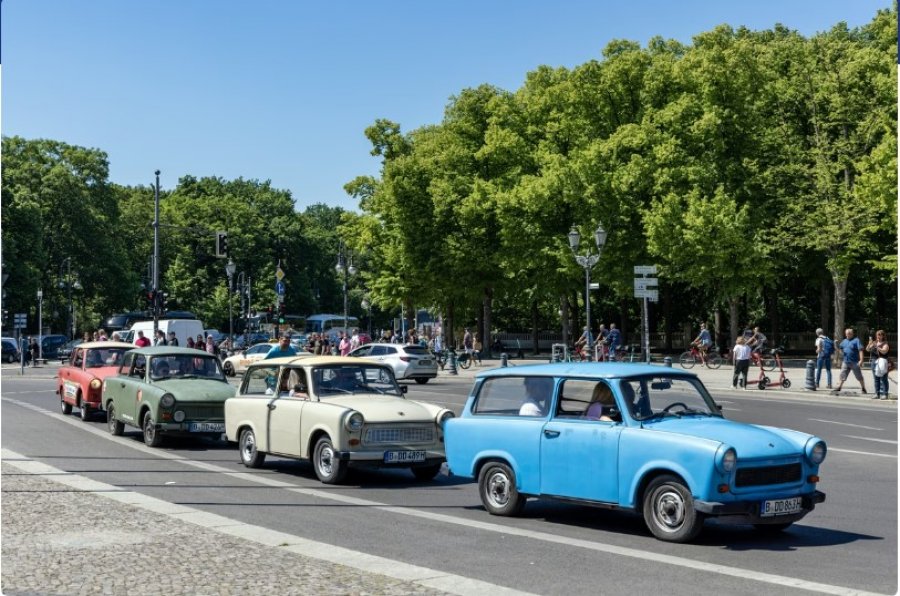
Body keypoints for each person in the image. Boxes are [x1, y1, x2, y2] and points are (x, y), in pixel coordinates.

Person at [832, 328, 867, 395]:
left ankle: (863, 388)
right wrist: (835, 345)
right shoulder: (844, 341)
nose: (847, 335)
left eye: (849, 334)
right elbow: (839, 349)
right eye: (846, 334)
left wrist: (861, 360)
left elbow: (860, 350)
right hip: (846, 361)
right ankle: (839, 387)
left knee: (859, 376)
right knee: (842, 374)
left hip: (854, 362)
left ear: (852, 334)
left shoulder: (856, 340)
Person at [866, 330, 890, 400]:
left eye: (880, 335)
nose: (878, 336)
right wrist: (869, 344)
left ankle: (885, 394)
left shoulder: (885, 343)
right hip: (874, 362)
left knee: (883, 378)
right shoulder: (874, 342)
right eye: (877, 335)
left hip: (882, 362)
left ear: (883, 336)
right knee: (876, 378)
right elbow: (867, 350)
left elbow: (884, 351)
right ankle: (877, 393)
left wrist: (877, 347)